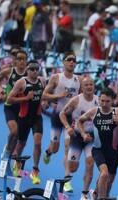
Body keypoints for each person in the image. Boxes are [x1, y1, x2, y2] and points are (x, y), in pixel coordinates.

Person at [77, 88, 118, 199]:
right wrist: (83, 134)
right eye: (102, 100)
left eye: (107, 101)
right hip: (98, 150)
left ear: (113, 101)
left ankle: (95, 193)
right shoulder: (94, 112)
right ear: (99, 99)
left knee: (106, 177)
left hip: (113, 151)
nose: (104, 104)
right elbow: (79, 121)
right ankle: (102, 198)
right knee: (104, 173)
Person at [42, 52, 81, 191]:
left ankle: (66, 180)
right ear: (63, 63)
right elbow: (44, 95)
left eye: (74, 60)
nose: (71, 62)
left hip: (71, 118)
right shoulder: (56, 78)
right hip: (58, 115)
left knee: (67, 147)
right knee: (55, 147)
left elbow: (82, 98)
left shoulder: (79, 80)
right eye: (69, 60)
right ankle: (47, 152)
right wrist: (59, 95)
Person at [59, 77, 98, 200]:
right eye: (86, 85)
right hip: (76, 136)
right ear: (82, 87)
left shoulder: (99, 101)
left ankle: (84, 193)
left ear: (94, 86)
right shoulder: (76, 100)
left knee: (90, 163)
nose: (89, 87)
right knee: (73, 168)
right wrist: (67, 127)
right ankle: (67, 176)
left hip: (90, 138)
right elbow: (62, 114)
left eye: (91, 84)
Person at [7, 60, 45, 185]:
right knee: (21, 144)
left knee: (38, 143)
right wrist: (26, 98)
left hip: (37, 118)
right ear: (27, 70)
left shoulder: (42, 81)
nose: (35, 71)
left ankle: (35, 170)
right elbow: (10, 98)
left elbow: (44, 96)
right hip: (23, 117)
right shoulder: (21, 82)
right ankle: (17, 163)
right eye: (32, 69)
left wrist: (47, 102)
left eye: (36, 68)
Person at [0, 49, 28, 158]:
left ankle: (11, 156)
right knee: (14, 131)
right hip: (10, 107)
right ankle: (7, 148)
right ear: (15, 61)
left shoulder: (29, 73)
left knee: (17, 137)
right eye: (19, 59)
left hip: (23, 109)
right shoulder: (9, 72)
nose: (22, 61)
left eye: (24, 59)